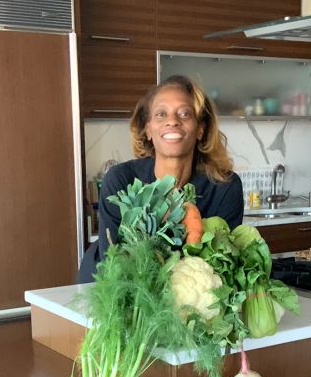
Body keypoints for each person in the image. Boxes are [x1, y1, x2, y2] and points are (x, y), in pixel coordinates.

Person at [77, 75, 243, 283]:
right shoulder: (120, 180)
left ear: (200, 129)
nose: (172, 121)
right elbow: (112, 263)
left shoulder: (224, 187)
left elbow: (222, 267)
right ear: (148, 129)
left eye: (184, 113)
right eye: (161, 114)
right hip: (108, 290)